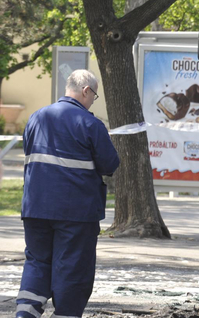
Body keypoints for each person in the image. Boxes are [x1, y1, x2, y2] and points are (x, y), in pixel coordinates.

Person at [15, 69, 120, 318]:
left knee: (37, 262)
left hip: (35, 208)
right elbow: (109, 165)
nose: (92, 101)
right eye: (94, 96)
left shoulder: (36, 117)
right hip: (76, 212)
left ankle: (25, 313)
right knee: (72, 267)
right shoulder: (90, 123)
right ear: (86, 91)